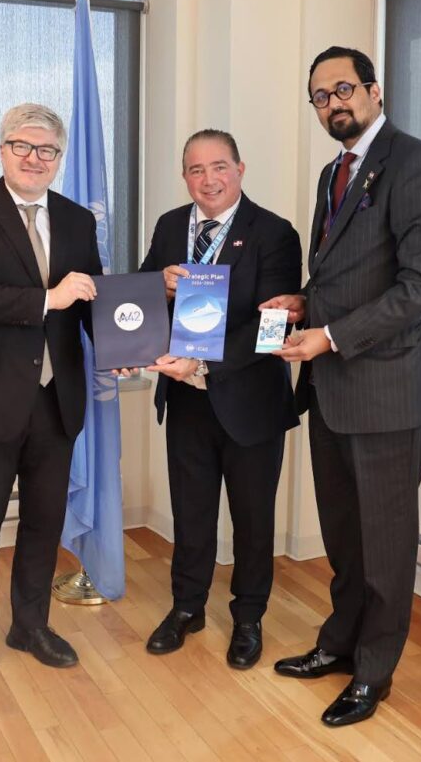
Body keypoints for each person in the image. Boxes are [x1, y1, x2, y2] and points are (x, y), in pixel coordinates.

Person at [264, 46, 421, 726]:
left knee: (385, 545)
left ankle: (374, 672)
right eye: (320, 96)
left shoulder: (418, 166)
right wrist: (304, 303)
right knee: (344, 536)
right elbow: (344, 272)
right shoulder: (334, 172)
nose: (333, 103)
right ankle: (339, 643)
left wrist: (332, 335)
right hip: (332, 389)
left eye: (343, 88)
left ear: (375, 91)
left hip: (389, 391)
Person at [0, 103, 102, 693]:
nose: (34, 159)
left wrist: (129, 343)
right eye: (22, 146)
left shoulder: (77, 219)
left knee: (43, 522)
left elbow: (91, 301)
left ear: (60, 158)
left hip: (57, 400)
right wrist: (47, 299)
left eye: (47, 150)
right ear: (2, 149)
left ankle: (30, 627)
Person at [138, 129, 301, 669]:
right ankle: (187, 608)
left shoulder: (274, 232)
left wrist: (204, 361)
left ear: (240, 169)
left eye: (219, 167)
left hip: (250, 402)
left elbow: (274, 325)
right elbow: (142, 296)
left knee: (252, 518)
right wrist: (157, 284)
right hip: (187, 401)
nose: (208, 179)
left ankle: (248, 617)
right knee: (191, 512)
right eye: (196, 169)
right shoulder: (170, 226)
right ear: (184, 176)